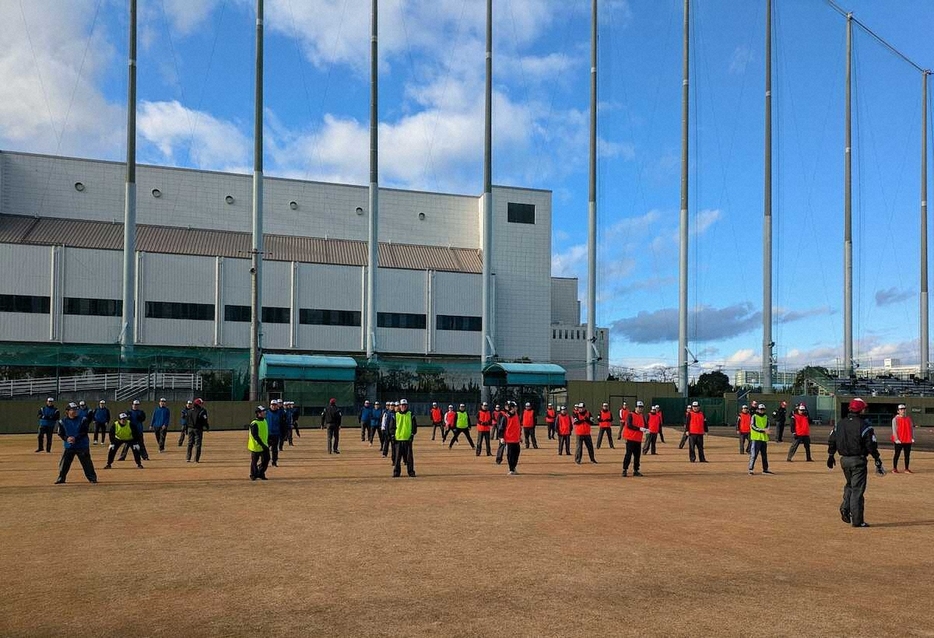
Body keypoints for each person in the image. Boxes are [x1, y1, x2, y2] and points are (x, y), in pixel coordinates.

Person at [827, 397, 885, 527]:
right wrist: (877, 459)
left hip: (844, 460)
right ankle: (857, 520)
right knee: (857, 490)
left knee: (850, 485)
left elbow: (832, 440)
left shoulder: (840, 423)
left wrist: (831, 455)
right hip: (858, 460)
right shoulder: (864, 425)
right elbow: (871, 445)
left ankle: (845, 507)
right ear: (860, 410)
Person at [54, 402, 97, 484]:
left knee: (87, 463)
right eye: (72, 409)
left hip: (82, 445)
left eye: (75, 409)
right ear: (67, 411)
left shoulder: (83, 419)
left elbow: (84, 432)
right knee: (64, 463)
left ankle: (92, 478)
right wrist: (67, 438)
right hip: (69, 446)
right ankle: (61, 478)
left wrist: (75, 438)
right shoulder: (62, 421)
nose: (74, 411)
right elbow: (60, 433)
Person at [622, 401, 649, 477]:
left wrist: (647, 429)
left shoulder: (642, 416)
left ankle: (636, 470)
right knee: (628, 454)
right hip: (630, 438)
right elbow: (629, 425)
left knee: (637, 456)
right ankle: (625, 470)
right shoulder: (630, 415)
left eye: (641, 407)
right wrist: (640, 429)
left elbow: (645, 425)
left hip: (638, 439)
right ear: (636, 407)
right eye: (639, 407)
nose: (640, 409)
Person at [392, 398, 417, 478]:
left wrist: (412, 435)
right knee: (397, 458)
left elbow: (414, 427)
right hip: (398, 439)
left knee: (409, 458)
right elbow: (391, 427)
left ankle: (411, 472)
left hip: (407, 440)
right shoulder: (395, 415)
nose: (403, 406)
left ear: (407, 406)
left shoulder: (411, 414)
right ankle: (396, 472)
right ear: (399, 406)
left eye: (405, 405)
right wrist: (392, 436)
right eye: (402, 405)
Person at [748, 403, 773, 475]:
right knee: (754, 454)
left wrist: (766, 430)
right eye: (760, 409)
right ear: (757, 409)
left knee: (764, 455)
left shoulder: (766, 417)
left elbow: (767, 426)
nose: (762, 411)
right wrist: (763, 430)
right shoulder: (754, 416)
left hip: (763, 438)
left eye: (763, 409)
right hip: (756, 438)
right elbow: (753, 426)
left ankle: (765, 469)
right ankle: (751, 469)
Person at [499, 401, 522, 475]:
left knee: (516, 454)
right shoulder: (505, 417)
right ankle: (511, 469)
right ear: (512, 408)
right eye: (515, 407)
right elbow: (501, 428)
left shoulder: (516, 415)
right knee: (510, 455)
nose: (517, 408)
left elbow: (518, 427)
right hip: (509, 440)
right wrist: (501, 437)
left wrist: (520, 436)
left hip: (516, 439)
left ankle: (514, 467)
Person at [248, 405, 270, 481]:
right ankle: (253, 474)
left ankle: (260, 473)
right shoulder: (254, 423)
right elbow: (255, 436)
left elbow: (265, 433)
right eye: (263, 411)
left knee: (266, 460)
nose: (265, 412)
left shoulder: (264, 421)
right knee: (254, 461)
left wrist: (267, 442)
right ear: (258, 413)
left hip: (264, 445)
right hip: (256, 446)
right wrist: (262, 444)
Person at [891, 404, 914, 473]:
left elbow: (911, 429)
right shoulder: (895, 419)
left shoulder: (908, 419)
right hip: (899, 440)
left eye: (904, 409)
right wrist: (896, 439)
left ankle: (906, 468)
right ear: (898, 411)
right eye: (901, 409)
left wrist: (911, 437)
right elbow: (894, 430)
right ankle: (894, 468)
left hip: (907, 440)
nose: (903, 411)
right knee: (897, 454)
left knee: (907, 455)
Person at [186, 398, 209, 463]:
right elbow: (204, 420)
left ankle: (188, 458)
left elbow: (186, 420)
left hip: (190, 428)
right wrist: (207, 426)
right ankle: (196, 459)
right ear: (198, 404)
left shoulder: (190, 411)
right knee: (198, 444)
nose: (202, 405)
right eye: (201, 403)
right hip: (198, 429)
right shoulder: (202, 411)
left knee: (190, 443)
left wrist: (187, 428)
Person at [266, 399, 282, 466]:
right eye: (272, 405)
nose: (273, 406)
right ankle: (265, 461)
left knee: (275, 449)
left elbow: (282, 424)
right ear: (270, 405)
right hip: (267, 434)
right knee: (265, 449)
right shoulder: (266, 413)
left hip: (276, 434)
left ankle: (274, 462)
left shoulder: (280, 413)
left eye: (275, 405)